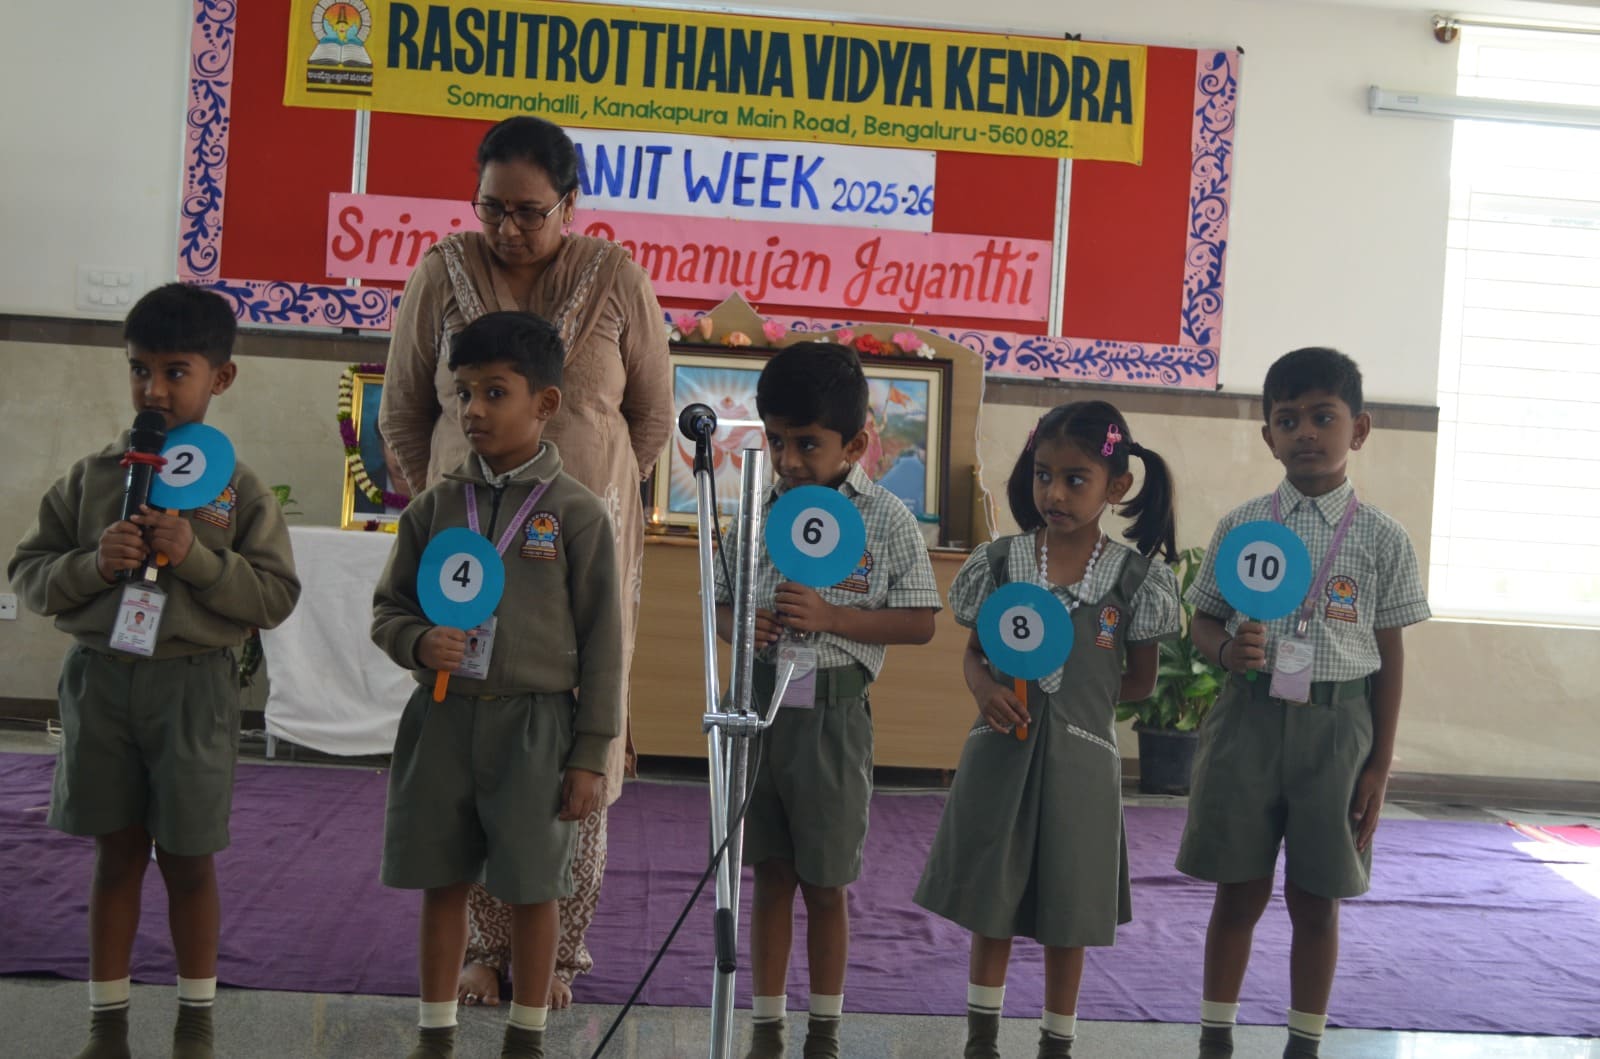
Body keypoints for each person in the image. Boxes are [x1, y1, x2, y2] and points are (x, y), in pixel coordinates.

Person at [380, 114, 672, 1010]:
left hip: (577, 559)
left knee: (577, 753)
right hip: (464, 560)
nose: (508, 230)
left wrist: (590, 500)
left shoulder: (617, 279)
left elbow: (653, 418)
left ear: (570, 205)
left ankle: (556, 959)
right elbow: (401, 414)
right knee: (471, 746)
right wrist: (454, 507)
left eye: (529, 213)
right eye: (491, 209)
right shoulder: (440, 274)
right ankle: (480, 947)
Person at [8, 283, 301, 1059]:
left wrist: (197, 557)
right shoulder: (93, 475)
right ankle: (107, 1024)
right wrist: (89, 563)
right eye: (140, 370)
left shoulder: (237, 490)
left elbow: (274, 595)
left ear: (221, 378)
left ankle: (195, 1020)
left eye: (177, 371)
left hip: (193, 687)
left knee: (189, 855)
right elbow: (30, 572)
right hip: (102, 681)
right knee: (115, 851)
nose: (154, 389)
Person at [371, 312, 624, 1059]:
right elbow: (389, 611)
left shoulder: (576, 515)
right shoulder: (437, 506)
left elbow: (606, 643)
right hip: (444, 716)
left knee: (531, 883)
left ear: (544, 404)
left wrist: (591, 751)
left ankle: (528, 1033)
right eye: (463, 393)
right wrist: (420, 640)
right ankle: (435, 1027)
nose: (474, 410)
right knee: (441, 878)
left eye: (494, 392)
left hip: (536, 725)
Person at [1176, 348, 1431, 1059]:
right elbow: (1202, 619)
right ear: (1268, 436)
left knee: (1317, 898)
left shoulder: (1382, 536)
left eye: (1324, 416)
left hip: (1338, 728)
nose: (1306, 432)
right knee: (1239, 890)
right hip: (1248, 722)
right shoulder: (1243, 525)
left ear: (1360, 428)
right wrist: (1228, 650)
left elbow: (1390, 651)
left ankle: (1304, 1043)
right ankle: (1215, 1035)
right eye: (1287, 420)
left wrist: (1380, 759)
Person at [914, 401, 1182, 1059]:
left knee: (1072, 906)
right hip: (999, 753)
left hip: (1083, 766)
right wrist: (986, 690)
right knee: (990, 899)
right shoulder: (1002, 561)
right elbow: (977, 653)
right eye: (1041, 475)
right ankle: (982, 1036)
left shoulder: (1134, 579)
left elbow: (1141, 681)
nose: (1053, 493)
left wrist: (1077, 700)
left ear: (1117, 486)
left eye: (1074, 479)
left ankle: (1057, 1039)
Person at [714, 342, 942, 1059]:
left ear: (856, 443)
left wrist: (835, 617)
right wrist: (741, 622)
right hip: (759, 708)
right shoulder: (752, 507)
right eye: (776, 440)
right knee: (769, 871)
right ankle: (766, 1020)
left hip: (834, 715)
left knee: (826, 879)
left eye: (807, 443)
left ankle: (825, 1028)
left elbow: (920, 620)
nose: (787, 459)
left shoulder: (886, 518)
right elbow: (720, 604)